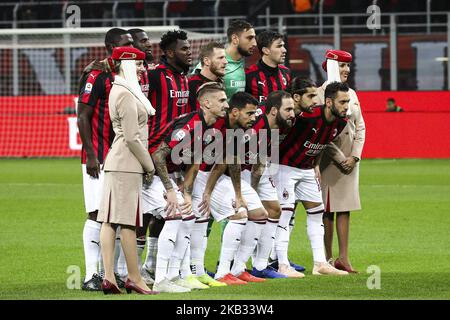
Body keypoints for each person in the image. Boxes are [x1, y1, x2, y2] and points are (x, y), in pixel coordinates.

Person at [146, 82, 230, 292]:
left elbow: (194, 163)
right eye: (222, 100)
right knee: (174, 215)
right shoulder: (190, 125)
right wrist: (170, 190)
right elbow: (157, 155)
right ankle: (160, 280)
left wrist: (187, 194)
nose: (226, 105)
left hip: (164, 174)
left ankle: (174, 275)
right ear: (206, 103)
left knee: (188, 216)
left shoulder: (209, 128)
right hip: (145, 172)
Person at [274, 79, 350, 276]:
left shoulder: (341, 123)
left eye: (347, 102)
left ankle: (320, 264)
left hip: (307, 170)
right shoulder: (306, 117)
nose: (346, 107)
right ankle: (281, 264)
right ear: (329, 102)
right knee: (285, 214)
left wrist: (315, 164)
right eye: (342, 102)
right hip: (285, 167)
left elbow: (321, 143)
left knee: (317, 213)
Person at [77, 28, 133, 291]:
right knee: (97, 214)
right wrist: (89, 153)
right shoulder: (96, 75)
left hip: (123, 157)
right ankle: (91, 275)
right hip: (98, 155)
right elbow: (83, 116)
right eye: (126, 44)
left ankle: (115, 274)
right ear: (111, 46)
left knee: (120, 215)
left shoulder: (128, 75)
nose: (131, 48)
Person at [97, 47, 157, 295]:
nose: (144, 69)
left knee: (111, 221)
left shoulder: (122, 90)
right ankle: (134, 278)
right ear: (128, 65)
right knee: (128, 224)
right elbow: (132, 138)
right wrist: (149, 165)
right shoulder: (125, 93)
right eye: (140, 64)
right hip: (127, 162)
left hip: (119, 161)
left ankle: (110, 277)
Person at [140, 29, 192, 283]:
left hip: (174, 157)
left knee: (163, 215)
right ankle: (129, 269)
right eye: (184, 48)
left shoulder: (183, 78)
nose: (189, 51)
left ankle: (150, 266)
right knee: (148, 214)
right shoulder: (155, 75)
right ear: (170, 52)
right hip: (151, 154)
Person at [317, 49, 366, 273]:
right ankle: (326, 259)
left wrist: (355, 156)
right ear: (331, 66)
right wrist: (340, 158)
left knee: (345, 208)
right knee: (326, 210)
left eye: (349, 65)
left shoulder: (352, 94)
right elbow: (319, 133)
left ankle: (343, 258)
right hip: (328, 160)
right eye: (342, 65)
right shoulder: (319, 94)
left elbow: (361, 127)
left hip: (350, 161)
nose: (347, 69)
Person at [245, 30, 291, 104]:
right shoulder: (249, 76)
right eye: (279, 46)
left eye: (283, 46)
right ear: (266, 50)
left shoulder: (286, 73)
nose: (284, 50)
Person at [187, 41, 227, 112]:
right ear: (206, 61)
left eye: (225, 57)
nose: (226, 61)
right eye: (220, 58)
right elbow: (194, 117)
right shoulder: (192, 85)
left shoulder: (220, 83)